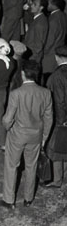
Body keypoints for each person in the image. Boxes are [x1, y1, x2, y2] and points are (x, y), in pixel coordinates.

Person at [0, 60, 53, 209]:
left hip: (17, 135)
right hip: (36, 136)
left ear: (22, 74)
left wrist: (7, 126)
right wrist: (44, 138)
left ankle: (9, 200)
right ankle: (28, 198)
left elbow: (8, 119)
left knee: (11, 166)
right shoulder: (46, 93)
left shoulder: (16, 94)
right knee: (31, 166)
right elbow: (49, 118)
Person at [46, 46, 67, 188]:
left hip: (61, 118)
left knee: (56, 149)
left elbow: (59, 101)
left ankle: (57, 179)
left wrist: (61, 120)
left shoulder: (56, 76)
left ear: (56, 57)